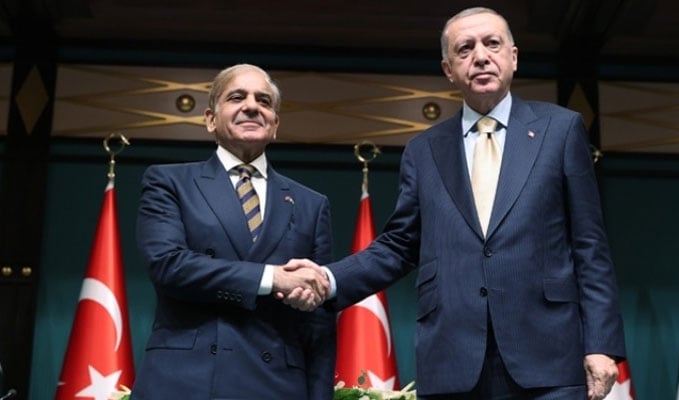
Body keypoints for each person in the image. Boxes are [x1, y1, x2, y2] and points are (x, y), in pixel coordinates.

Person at [282, 7, 626, 400]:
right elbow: (398, 245)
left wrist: (601, 343)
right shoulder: (423, 149)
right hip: (452, 363)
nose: (480, 56)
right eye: (465, 49)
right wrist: (328, 279)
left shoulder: (561, 130)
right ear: (448, 69)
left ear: (513, 57)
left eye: (492, 44)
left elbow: (589, 244)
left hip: (547, 360)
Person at [131, 64, 334, 399]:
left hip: (278, 385)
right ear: (211, 119)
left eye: (264, 101)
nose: (252, 106)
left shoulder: (311, 204)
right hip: (186, 382)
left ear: (275, 125)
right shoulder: (170, 182)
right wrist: (271, 278)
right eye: (237, 97)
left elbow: (319, 322)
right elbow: (168, 265)